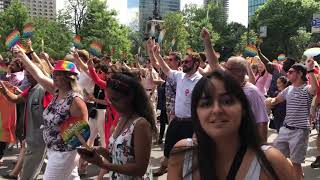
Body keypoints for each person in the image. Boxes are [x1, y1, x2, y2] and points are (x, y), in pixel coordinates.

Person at [167, 70, 296, 180]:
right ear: (196, 112)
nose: (216, 110)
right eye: (206, 104)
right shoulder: (182, 155)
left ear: (243, 108)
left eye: (227, 101)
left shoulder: (270, 162)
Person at [14, 46, 88, 180]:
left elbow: (83, 132)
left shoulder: (75, 100)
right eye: (54, 73)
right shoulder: (57, 91)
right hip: (53, 150)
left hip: (63, 153)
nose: (53, 75)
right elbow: (38, 74)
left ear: (68, 78)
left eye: (57, 74)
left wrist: (60, 135)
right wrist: (22, 56)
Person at [78, 72, 157, 179]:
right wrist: (99, 150)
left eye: (115, 99)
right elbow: (116, 157)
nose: (111, 103)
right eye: (109, 99)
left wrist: (103, 164)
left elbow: (140, 169)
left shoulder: (141, 124)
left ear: (130, 97)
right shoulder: (122, 118)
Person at [201, 28, 269, 142]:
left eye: (229, 69)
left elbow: (261, 122)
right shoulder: (229, 81)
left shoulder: (252, 92)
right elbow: (214, 64)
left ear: (241, 72)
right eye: (226, 67)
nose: (225, 71)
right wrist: (207, 40)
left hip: (246, 143)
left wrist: (261, 151)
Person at [147, 38, 202, 176]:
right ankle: (164, 167)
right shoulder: (179, 76)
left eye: (187, 62)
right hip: (177, 121)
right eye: (183, 61)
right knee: (168, 148)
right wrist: (157, 54)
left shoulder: (201, 81)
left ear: (196, 64)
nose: (183, 64)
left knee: (189, 155)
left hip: (191, 124)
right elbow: (165, 68)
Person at [265, 61, 318, 179]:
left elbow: (315, 89)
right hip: (285, 129)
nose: (287, 73)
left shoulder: (307, 89)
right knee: (277, 157)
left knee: (296, 163)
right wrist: (269, 101)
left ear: (299, 74)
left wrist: (310, 71)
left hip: (300, 131)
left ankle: (297, 176)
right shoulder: (288, 89)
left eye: (290, 72)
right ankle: (294, 175)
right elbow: (277, 100)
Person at [0, 63, 51, 180]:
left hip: (39, 140)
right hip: (30, 138)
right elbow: (16, 99)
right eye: (27, 74)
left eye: (31, 73)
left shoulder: (45, 90)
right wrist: (5, 91)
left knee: (27, 175)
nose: (28, 76)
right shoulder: (31, 89)